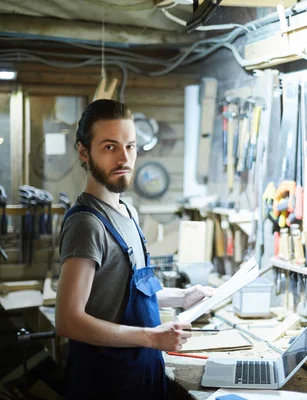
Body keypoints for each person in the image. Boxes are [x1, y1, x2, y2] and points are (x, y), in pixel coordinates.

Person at [55, 99, 214, 399]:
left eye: (130, 146)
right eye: (110, 147)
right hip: (105, 383)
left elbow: (125, 291)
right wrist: (152, 338)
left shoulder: (128, 213)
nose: (124, 158)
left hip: (142, 372)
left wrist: (181, 297)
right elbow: (68, 320)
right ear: (83, 152)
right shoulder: (87, 224)